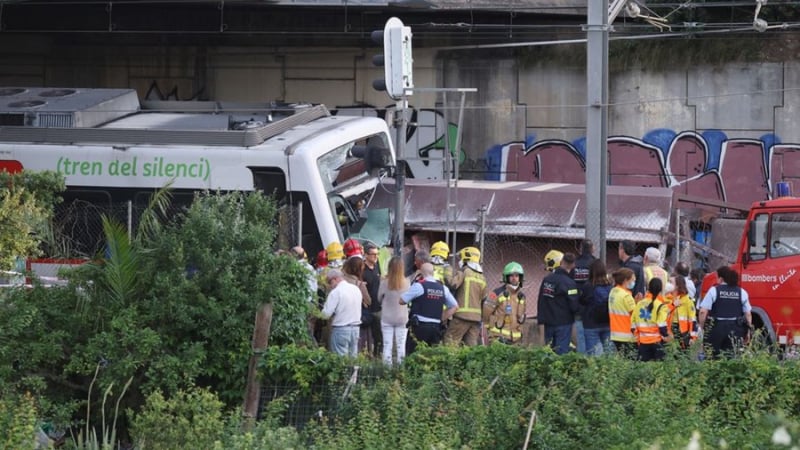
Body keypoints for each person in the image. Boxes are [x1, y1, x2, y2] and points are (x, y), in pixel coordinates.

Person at [401, 263, 458, 354]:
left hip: (419, 327)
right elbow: (455, 306)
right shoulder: (443, 288)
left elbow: (402, 300)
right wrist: (442, 317)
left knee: (413, 354)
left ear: (420, 272)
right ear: (433, 272)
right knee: (432, 356)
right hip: (436, 327)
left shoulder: (419, 286)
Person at [698, 266, 753, 358]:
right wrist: (748, 331)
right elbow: (748, 314)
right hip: (736, 329)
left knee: (712, 356)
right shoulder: (741, 292)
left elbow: (703, 311)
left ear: (721, 278)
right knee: (733, 357)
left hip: (716, 328)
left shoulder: (714, 290)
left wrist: (702, 326)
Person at [444, 246, 488, 346]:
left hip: (461, 317)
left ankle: (450, 362)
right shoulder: (482, 278)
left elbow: (452, 284)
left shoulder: (464, 272)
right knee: (471, 348)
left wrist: (447, 270)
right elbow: (484, 298)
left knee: (450, 343)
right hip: (476, 319)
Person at [537, 252, 580, 355]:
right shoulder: (570, 283)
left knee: (547, 353)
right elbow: (574, 306)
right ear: (573, 265)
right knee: (561, 354)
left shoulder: (547, 280)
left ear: (561, 262)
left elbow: (541, 301)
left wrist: (541, 321)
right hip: (563, 324)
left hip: (548, 323)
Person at [320, 269, 362, 357]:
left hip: (341, 328)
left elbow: (325, 314)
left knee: (340, 361)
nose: (330, 286)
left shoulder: (336, 292)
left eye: (330, 282)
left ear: (335, 279)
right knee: (353, 359)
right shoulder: (356, 289)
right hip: (355, 328)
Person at [483, 261, 527, 345]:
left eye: (517, 276)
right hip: (498, 337)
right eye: (511, 276)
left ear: (520, 278)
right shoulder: (496, 293)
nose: (514, 278)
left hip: (515, 339)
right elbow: (486, 312)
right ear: (506, 277)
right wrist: (487, 328)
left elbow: (521, 317)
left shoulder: (522, 297)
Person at [378, 256, 409, 365]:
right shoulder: (407, 282)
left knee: (387, 346)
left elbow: (379, 298)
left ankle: (387, 371)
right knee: (401, 346)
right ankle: (401, 370)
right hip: (402, 318)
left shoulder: (384, 282)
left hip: (387, 317)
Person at [631, 278, 671, 361]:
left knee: (643, 369)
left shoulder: (639, 303)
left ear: (648, 288)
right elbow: (661, 324)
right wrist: (666, 336)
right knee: (659, 369)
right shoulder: (661, 306)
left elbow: (633, 323)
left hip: (642, 342)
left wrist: (637, 336)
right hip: (657, 342)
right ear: (660, 289)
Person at [581, 259, 612, 356]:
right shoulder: (610, 286)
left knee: (594, 355)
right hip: (607, 323)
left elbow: (582, 301)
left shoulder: (588, 286)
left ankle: (596, 370)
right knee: (609, 353)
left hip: (591, 324)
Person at [342, 255, 372, 354]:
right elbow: (368, 301)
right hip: (356, 319)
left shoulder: (340, 280)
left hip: (342, 318)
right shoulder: (359, 284)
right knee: (355, 349)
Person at [571, 239, 596, 354]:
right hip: (592, 305)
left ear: (580, 249)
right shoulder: (596, 264)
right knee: (592, 337)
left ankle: (581, 361)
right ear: (592, 249)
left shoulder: (574, 264)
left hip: (578, 304)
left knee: (580, 337)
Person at [609, 267, 638, 357]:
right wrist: (639, 304)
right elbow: (635, 315)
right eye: (632, 280)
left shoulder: (613, 291)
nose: (634, 283)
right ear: (626, 280)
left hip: (615, 334)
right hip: (627, 336)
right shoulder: (626, 296)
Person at [362, 243, 383, 358]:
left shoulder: (377, 266)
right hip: (366, 306)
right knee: (365, 333)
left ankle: (377, 354)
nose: (376, 257)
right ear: (366, 255)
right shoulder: (362, 269)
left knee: (378, 334)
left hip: (377, 306)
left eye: (377, 254)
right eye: (373, 254)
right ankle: (366, 354)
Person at [668, 276, 698, 350]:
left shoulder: (687, 301)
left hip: (682, 332)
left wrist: (693, 337)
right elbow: (662, 313)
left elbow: (692, 320)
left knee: (681, 354)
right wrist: (672, 305)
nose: (668, 284)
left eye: (671, 282)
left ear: (677, 286)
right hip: (668, 331)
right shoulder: (667, 298)